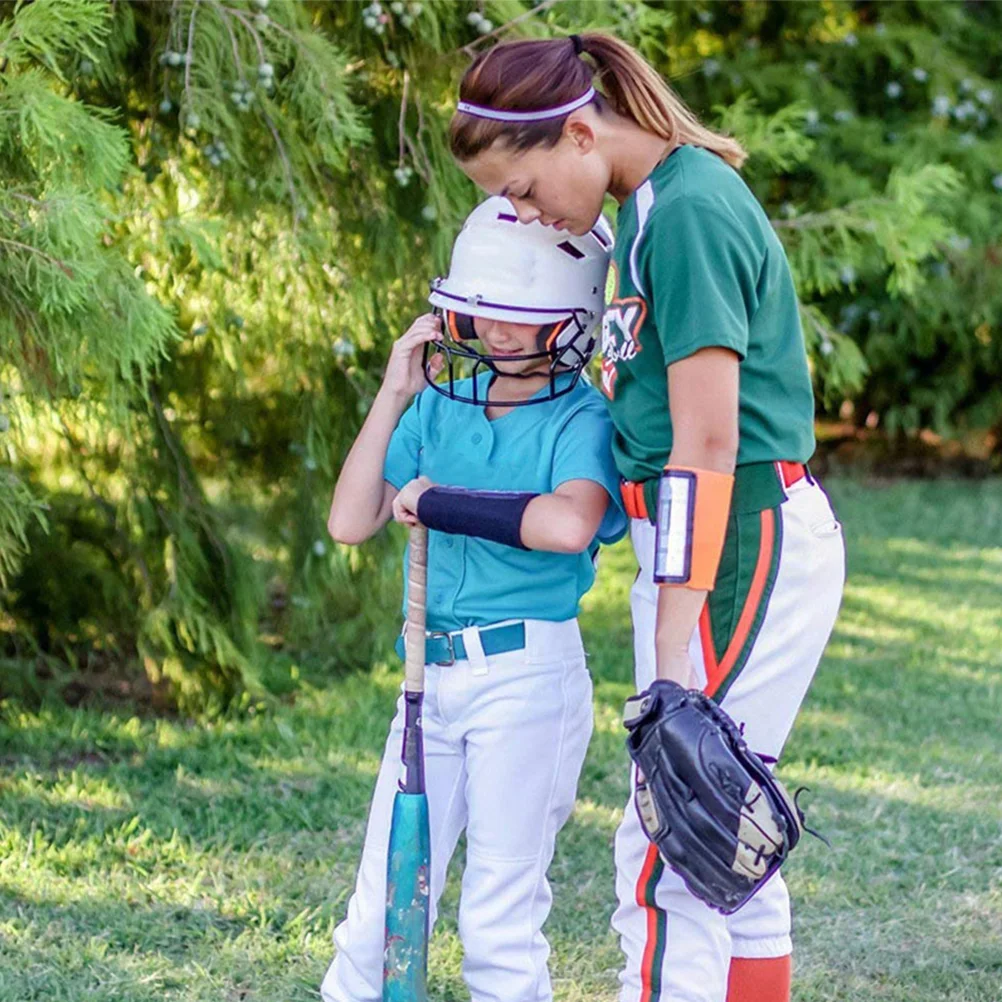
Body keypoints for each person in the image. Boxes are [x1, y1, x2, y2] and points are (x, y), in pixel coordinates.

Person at [448, 32, 846, 1002]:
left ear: (581, 133)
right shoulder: (648, 211)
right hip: (710, 531)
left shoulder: (688, 212)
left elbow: (708, 440)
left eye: (528, 192)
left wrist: (678, 616)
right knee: (726, 829)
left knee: (674, 838)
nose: (526, 215)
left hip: (735, 528)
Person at [319, 195, 627, 1002]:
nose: (495, 331)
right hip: (429, 678)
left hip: (526, 680)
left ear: (570, 318)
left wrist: (440, 504)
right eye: (482, 309)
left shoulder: (581, 417)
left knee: (497, 918)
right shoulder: (437, 405)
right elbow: (352, 520)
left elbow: (569, 524)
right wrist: (393, 394)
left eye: (520, 316)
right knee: (381, 909)